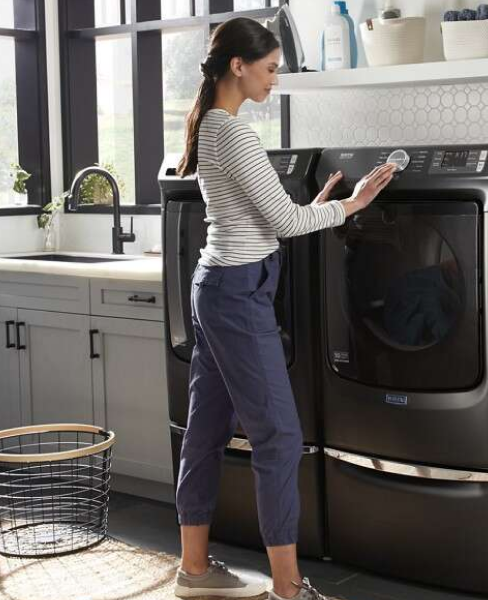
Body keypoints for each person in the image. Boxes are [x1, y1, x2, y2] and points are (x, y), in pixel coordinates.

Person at [173, 16, 397, 600]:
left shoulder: (211, 126)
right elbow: (285, 222)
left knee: (205, 430)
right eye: (270, 68)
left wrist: (316, 205)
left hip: (216, 286)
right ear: (238, 66)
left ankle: (193, 571)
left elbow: (261, 217)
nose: (276, 79)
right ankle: (288, 590)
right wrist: (352, 204)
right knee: (278, 438)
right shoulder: (234, 134)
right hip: (237, 295)